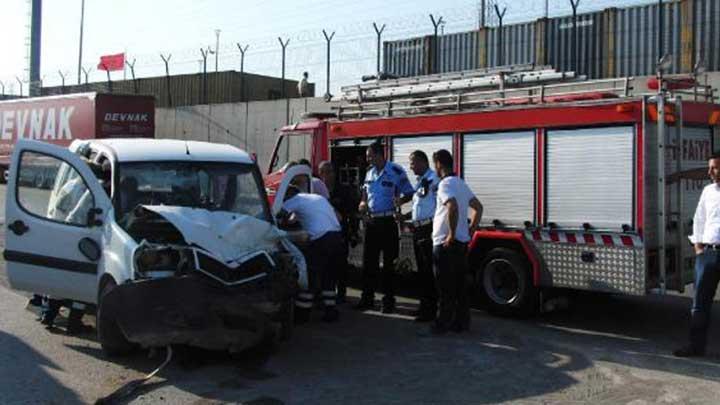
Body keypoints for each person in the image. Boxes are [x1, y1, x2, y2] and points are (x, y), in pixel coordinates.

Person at [428, 149, 482, 334]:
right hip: (461, 243)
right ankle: (461, 323)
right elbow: (478, 207)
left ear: (439, 164)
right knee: (459, 287)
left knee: (445, 288)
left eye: (434, 164)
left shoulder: (445, 184)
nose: (434, 168)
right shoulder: (460, 183)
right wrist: (470, 230)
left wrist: (450, 234)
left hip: (446, 244)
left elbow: (452, 206)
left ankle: (442, 324)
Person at [356, 142, 414, 313]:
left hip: (388, 222)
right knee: (368, 263)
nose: (367, 159)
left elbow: (410, 193)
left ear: (380, 155)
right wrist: (362, 204)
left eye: (369, 155)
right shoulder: (369, 173)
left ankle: (388, 302)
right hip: (372, 223)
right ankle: (367, 299)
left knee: (389, 265)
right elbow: (365, 196)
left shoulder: (396, 171)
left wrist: (401, 201)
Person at [674, 153, 720, 357]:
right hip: (708, 254)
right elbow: (699, 218)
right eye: (710, 167)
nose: (710, 172)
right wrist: (699, 247)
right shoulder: (708, 191)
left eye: (715, 168)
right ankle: (696, 347)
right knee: (700, 304)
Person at [279, 184, 345, 323]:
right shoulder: (316, 198)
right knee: (328, 275)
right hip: (337, 237)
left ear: (288, 195)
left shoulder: (295, 199)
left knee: (309, 274)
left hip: (320, 240)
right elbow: (338, 218)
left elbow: (280, 213)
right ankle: (330, 310)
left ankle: (303, 313)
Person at [396, 151, 440, 322]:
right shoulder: (421, 182)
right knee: (422, 272)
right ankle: (424, 307)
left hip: (428, 229)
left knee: (429, 272)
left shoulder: (433, 179)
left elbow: (437, 207)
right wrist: (404, 217)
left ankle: (431, 310)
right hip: (418, 229)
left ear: (422, 162)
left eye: (413, 163)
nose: (411, 167)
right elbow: (418, 209)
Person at [318, 160, 359, 303]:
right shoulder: (316, 190)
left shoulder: (343, 191)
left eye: (332, 171)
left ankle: (341, 293)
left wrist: (354, 232)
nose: (330, 175)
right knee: (325, 265)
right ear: (320, 174)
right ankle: (325, 293)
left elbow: (351, 212)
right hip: (322, 234)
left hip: (341, 233)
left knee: (341, 264)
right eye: (326, 172)